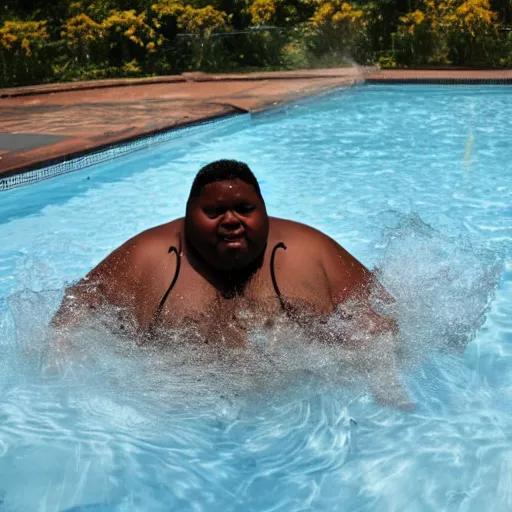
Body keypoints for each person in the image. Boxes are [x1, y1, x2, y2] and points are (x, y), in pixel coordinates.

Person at [53, 159, 410, 407]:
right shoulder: (147, 255)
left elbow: (385, 313)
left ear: (263, 210)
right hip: (173, 416)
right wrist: (64, 367)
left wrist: (381, 373)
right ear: (189, 213)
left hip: (293, 414)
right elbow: (76, 306)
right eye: (214, 212)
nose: (231, 221)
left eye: (244, 209)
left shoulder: (310, 251)